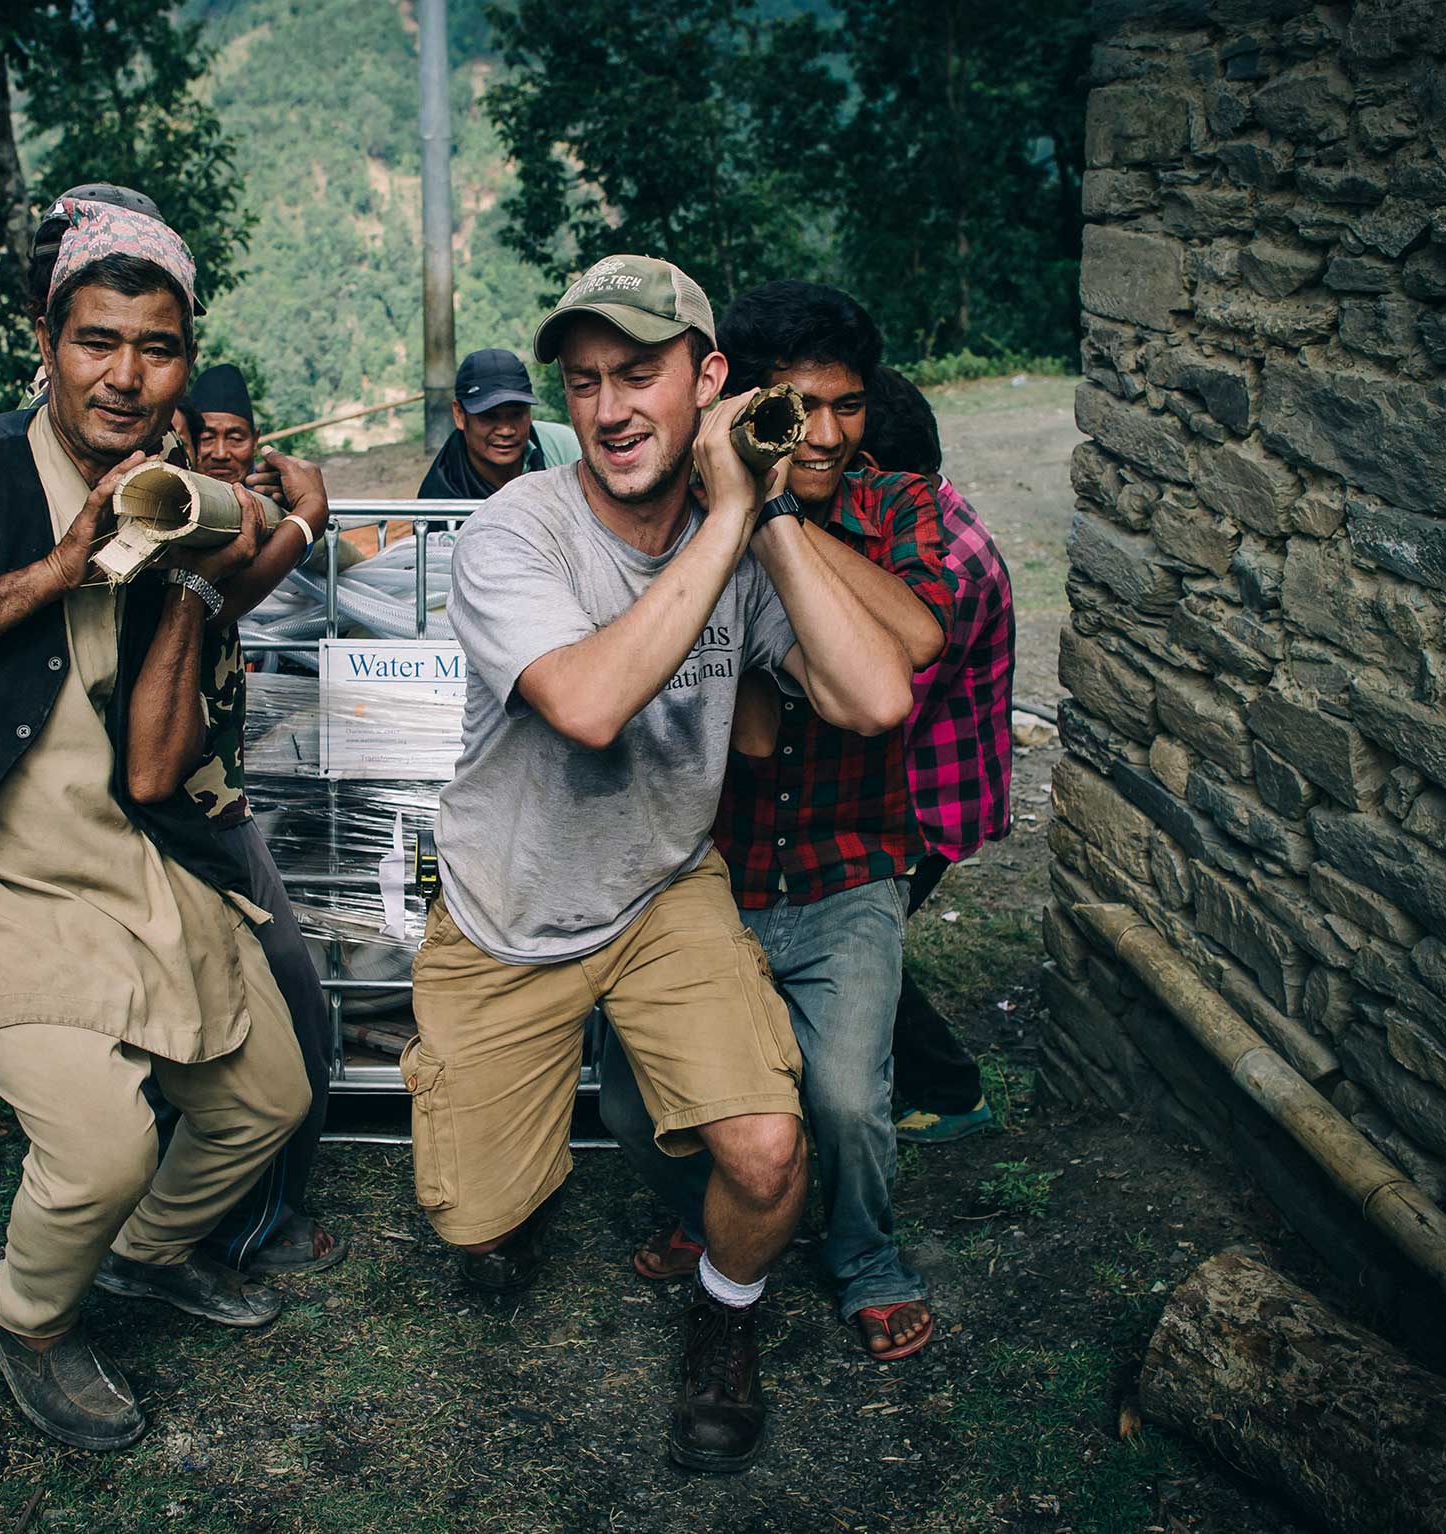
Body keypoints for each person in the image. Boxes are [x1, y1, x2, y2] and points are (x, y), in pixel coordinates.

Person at [0, 194, 308, 1454]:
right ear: (46, 339)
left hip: (123, 851)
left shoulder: (175, 490)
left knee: (273, 1096)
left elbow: (152, 768)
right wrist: (53, 570)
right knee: (98, 1149)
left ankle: (135, 1261)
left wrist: (200, 561)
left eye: (157, 347)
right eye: (98, 340)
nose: (125, 376)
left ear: (185, 361)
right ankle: (25, 1314)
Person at [408, 255, 920, 1472]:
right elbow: (586, 705)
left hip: (661, 887)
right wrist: (735, 518)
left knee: (766, 1148)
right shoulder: (512, 531)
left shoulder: (742, 533)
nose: (610, 407)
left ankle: (723, 1317)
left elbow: (877, 692)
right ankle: (504, 1205)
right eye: (582, 383)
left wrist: (771, 510)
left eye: (641, 374)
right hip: (511, 909)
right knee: (473, 1218)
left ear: (712, 380)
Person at [594, 281, 956, 1366]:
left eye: (848, 405)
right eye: (803, 408)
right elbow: (741, 732)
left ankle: (864, 1258)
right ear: (742, 400)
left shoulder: (896, 504)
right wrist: (723, 510)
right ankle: (713, 1211)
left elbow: (916, 642)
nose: (832, 432)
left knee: (846, 1099)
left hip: (851, 862)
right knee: (629, 1100)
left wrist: (773, 514)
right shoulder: (668, 505)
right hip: (712, 868)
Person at [152, 359, 346, 1277]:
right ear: (175, 439)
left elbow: (225, 600)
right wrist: (307, 523)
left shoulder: (218, 525)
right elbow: (215, 601)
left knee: (280, 1023)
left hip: (220, 813)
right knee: (283, 1030)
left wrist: (295, 522)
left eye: (238, 436)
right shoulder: (168, 527)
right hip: (189, 825)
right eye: (205, 435)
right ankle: (227, 1232)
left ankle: (244, 1220)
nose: (223, 452)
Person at [861, 365, 1016, 1146]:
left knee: (855, 948)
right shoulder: (928, 512)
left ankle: (951, 1090)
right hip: (926, 784)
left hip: (923, 801)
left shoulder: (939, 570)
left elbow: (875, 706)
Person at [416, 347, 580, 499]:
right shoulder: (440, 494)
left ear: (529, 413)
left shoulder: (563, 448)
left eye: (516, 414)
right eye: (489, 417)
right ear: (459, 415)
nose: (506, 430)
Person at [188, 364, 261, 485]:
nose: (220, 454)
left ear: (255, 443)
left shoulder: (281, 499)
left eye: (235, 439)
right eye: (206, 438)